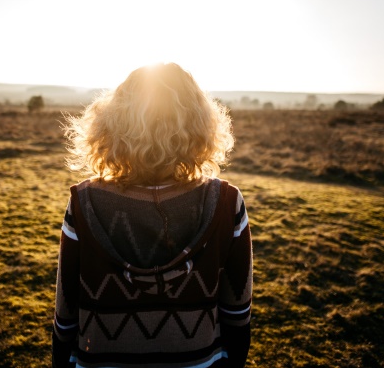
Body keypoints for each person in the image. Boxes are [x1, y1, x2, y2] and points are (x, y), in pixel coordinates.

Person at [52, 63, 252, 368]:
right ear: (199, 125)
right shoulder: (226, 202)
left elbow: (66, 311)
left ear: (114, 123)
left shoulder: (85, 202)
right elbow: (237, 313)